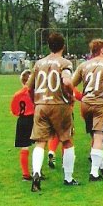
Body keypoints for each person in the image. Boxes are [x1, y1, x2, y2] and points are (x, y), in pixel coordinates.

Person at [27, 32, 78, 190]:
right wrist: (71, 95)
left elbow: (29, 87)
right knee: (67, 140)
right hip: (59, 105)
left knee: (40, 142)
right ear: (63, 46)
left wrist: (35, 100)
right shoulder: (64, 63)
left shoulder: (38, 63)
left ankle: (36, 173)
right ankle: (68, 178)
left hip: (41, 104)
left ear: (49, 46)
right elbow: (68, 81)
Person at [72, 39, 103, 181]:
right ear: (101, 50)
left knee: (94, 136)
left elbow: (70, 84)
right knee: (99, 136)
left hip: (86, 103)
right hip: (101, 103)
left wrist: (78, 96)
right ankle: (94, 173)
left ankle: (102, 166)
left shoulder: (84, 65)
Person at [11, 70, 35, 181]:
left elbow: (14, 111)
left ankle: (25, 173)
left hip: (22, 121)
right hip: (33, 119)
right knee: (38, 145)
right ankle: (37, 171)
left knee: (24, 147)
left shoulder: (17, 94)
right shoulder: (34, 92)